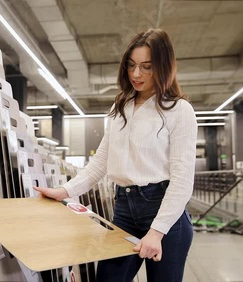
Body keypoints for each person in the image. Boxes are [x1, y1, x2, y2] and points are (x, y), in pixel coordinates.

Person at [34, 28, 197, 282]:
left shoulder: (179, 110)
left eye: (146, 67)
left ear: (163, 67)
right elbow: (100, 162)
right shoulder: (120, 107)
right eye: (131, 65)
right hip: (124, 211)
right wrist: (64, 191)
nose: (136, 74)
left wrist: (156, 232)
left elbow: (183, 180)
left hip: (165, 213)